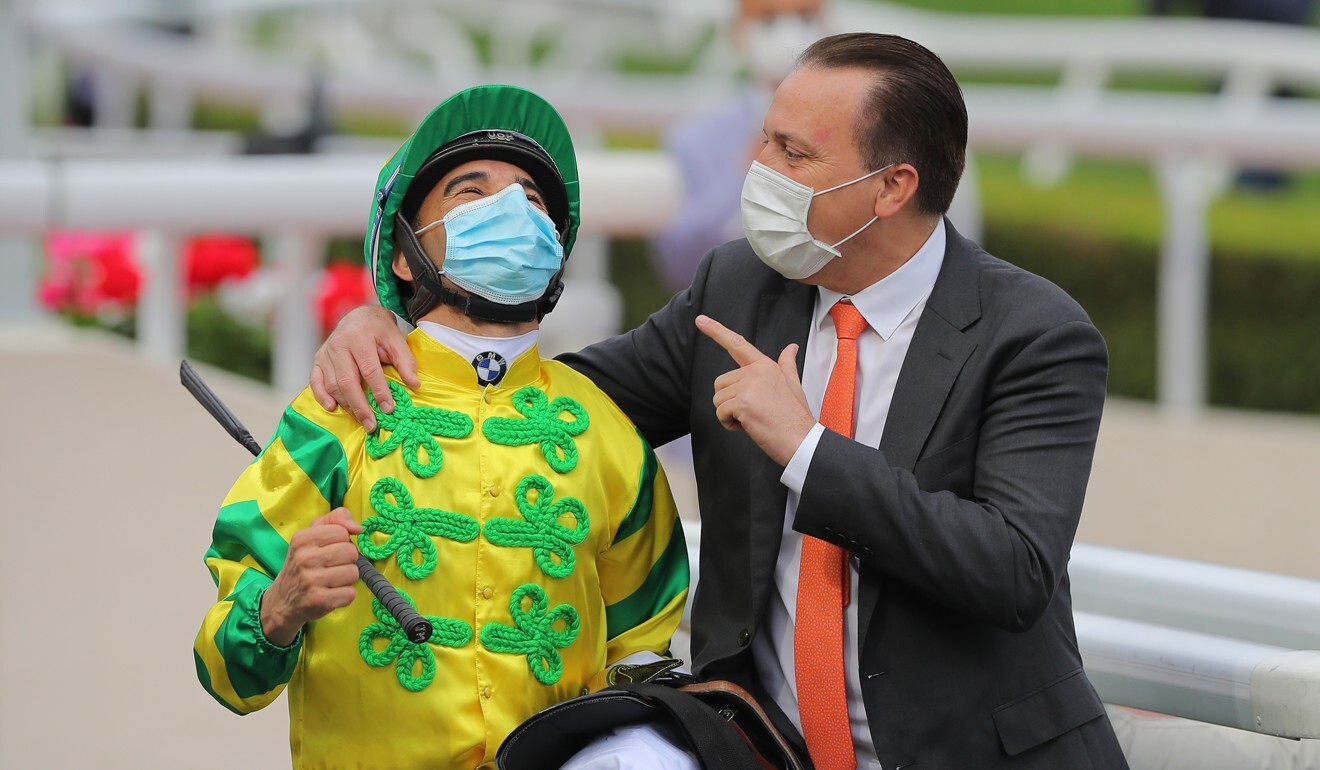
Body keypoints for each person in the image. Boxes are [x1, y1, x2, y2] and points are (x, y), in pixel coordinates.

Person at [312, 34, 1129, 769]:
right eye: (765, 135)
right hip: (760, 744)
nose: (757, 167)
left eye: (792, 152)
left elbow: (1015, 571)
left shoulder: (1034, 333)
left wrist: (807, 450)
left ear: (892, 188)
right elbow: (557, 408)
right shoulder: (739, 285)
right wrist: (397, 320)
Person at [194, 85, 689, 769]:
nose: (512, 208)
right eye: (471, 191)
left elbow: (646, 660)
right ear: (405, 254)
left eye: (533, 199)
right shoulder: (334, 414)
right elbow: (223, 674)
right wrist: (278, 608)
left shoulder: (608, 432)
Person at [650, 0, 828, 293]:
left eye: (805, 16)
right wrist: (744, 176)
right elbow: (678, 261)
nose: (789, 32)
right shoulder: (696, 138)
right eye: (768, 19)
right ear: (738, 32)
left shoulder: (861, 126)